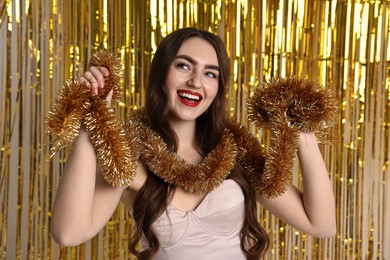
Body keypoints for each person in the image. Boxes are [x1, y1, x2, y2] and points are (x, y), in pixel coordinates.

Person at [49, 27, 336, 259]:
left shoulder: (234, 153)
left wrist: (300, 128)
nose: (196, 82)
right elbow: (68, 233)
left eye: (210, 73)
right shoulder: (130, 158)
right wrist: (93, 116)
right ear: (162, 74)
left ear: (217, 89)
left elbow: (321, 225)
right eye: (184, 66)